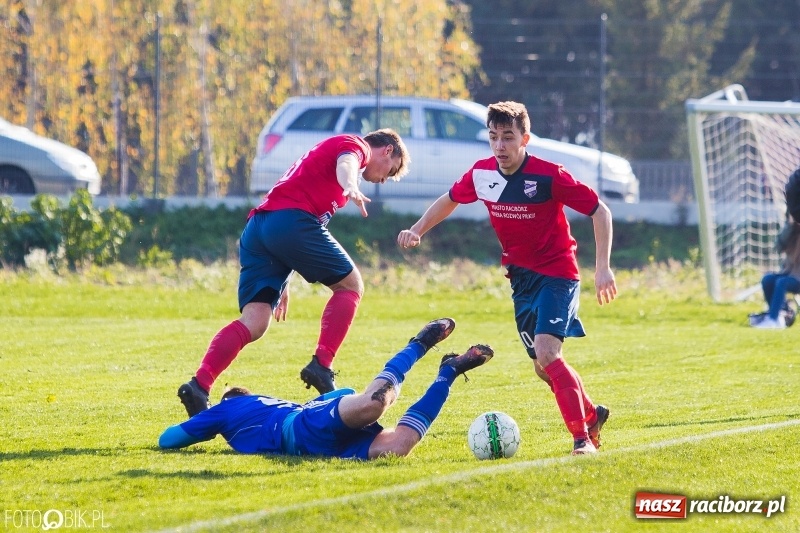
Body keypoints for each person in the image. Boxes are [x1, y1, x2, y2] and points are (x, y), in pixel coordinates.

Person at [397, 101, 617, 456]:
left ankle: (582, 440)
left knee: (548, 353)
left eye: (508, 137)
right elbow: (450, 199)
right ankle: (592, 415)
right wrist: (417, 229)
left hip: (558, 274)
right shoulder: (482, 174)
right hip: (521, 280)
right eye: (493, 137)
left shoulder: (549, 175)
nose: (500, 146)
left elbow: (599, 211)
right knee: (544, 369)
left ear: (525, 139)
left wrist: (603, 266)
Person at [177, 129, 410, 418]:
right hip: (289, 222)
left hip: (260, 228)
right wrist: (350, 184)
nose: (385, 179)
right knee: (351, 286)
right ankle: (321, 366)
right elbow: (347, 162)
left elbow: (290, 202)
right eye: (392, 170)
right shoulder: (355, 145)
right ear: (387, 150)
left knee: (256, 321)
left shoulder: (326, 159)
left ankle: (199, 385)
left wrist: (283, 275)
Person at [160, 318, 494, 459]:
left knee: (375, 404)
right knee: (399, 445)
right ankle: (448, 373)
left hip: (306, 427)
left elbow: (169, 439)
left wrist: (208, 427)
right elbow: (341, 391)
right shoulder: (271, 404)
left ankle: (418, 345)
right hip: (320, 442)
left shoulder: (226, 409)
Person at [750, 216, 800, 329]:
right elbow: (778, 247)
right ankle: (780, 313)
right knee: (767, 279)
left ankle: (773, 320)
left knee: (782, 282)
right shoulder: (792, 230)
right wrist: (790, 226)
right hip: (790, 272)